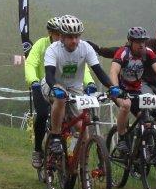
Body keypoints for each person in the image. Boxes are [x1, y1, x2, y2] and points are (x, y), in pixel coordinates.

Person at [25, 16, 97, 168]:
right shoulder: (42, 45)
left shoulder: (73, 48)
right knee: (43, 114)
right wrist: (33, 81)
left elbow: (81, 69)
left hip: (69, 86)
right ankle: (38, 150)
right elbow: (31, 64)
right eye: (57, 34)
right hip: (43, 84)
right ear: (50, 33)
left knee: (75, 120)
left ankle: (73, 157)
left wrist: (89, 82)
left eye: (62, 34)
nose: (61, 37)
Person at [42, 15, 114, 154]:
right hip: (52, 84)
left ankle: (77, 164)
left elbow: (98, 71)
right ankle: (56, 137)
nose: (74, 41)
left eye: (77, 36)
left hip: (75, 88)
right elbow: (49, 74)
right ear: (62, 37)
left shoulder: (85, 48)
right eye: (70, 37)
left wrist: (112, 87)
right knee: (61, 97)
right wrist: (55, 88)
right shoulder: (53, 49)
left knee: (82, 129)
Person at [110, 26, 156, 154]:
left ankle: (141, 153)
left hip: (136, 90)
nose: (141, 45)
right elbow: (114, 71)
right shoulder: (123, 53)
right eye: (138, 42)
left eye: (143, 42)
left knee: (147, 121)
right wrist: (115, 88)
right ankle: (121, 139)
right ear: (130, 42)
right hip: (120, 89)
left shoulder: (148, 52)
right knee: (125, 105)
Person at [89, 18, 156, 99]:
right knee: (149, 106)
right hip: (144, 82)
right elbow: (120, 51)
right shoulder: (146, 44)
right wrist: (100, 50)